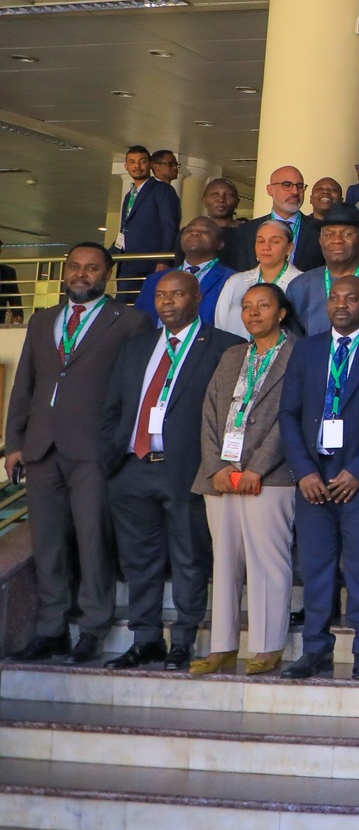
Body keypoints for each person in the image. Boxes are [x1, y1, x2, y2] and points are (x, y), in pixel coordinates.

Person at [3, 244, 148, 663]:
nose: (81, 274)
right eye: (74, 267)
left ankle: (93, 627)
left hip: (93, 451)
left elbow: (134, 390)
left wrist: (118, 445)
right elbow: (24, 384)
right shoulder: (43, 320)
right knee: (47, 543)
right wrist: (15, 443)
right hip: (41, 448)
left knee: (92, 540)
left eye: (91, 268)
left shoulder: (129, 321)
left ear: (108, 275)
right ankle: (51, 628)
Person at [101, 270, 233, 671]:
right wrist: (110, 457)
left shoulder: (224, 346)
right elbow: (112, 406)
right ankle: (145, 639)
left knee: (189, 558)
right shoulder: (136, 345)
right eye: (161, 295)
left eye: (177, 294)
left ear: (197, 299)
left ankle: (183, 641)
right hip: (132, 468)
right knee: (139, 561)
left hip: (187, 470)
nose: (168, 302)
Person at [278, 275, 359, 680]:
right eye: (335, 298)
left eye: (352, 299)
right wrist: (304, 472)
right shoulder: (307, 349)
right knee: (316, 569)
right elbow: (288, 414)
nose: (341, 305)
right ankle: (315, 649)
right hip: (314, 479)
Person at [188, 282, 298, 676]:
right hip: (220, 476)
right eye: (247, 306)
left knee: (268, 561)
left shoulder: (299, 354)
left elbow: (291, 417)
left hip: (270, 477)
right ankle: (223, 646)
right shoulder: (233, 354)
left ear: (281, 313)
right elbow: (209, 412)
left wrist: (256, 468)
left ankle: (267, 647)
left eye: (263, 306)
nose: (253, 313)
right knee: (224, 563)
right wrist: (217, 467)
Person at [286, 206, 359, 335]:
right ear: (321, 241)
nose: (337, 240)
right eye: (329, 235)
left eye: (347, 234)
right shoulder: (300, 286)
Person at [136, 217, 233, 328]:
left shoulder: (231, 279)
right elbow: (139, 322)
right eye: (189, 230)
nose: (195, 233)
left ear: (220, 244)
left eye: (204, 230)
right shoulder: (154, 279)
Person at [215, 217, 300, 339]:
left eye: (275, 242)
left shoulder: (302, 283)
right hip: (238, 350)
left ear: (289, 248)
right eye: (260, 241)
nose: (266, 247)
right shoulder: (236, 282)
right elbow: (220, 326)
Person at [227, 166, 323, 272]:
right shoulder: (246, 231)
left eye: (300, 186)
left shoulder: (319, 230)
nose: (295, 191)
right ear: (270, 190)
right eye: (287, 185)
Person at [114, 144, 180, 294]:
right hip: (127, 264)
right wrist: (107, 259)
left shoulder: (162, 189)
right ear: (126, 166)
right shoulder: (129, 195)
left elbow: (170, 226)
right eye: (132, 162)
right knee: (125, 305)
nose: (137, 166)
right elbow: (124, 231)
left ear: (150, 164)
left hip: (151, 264)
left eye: (142, 161)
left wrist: (164, 258)